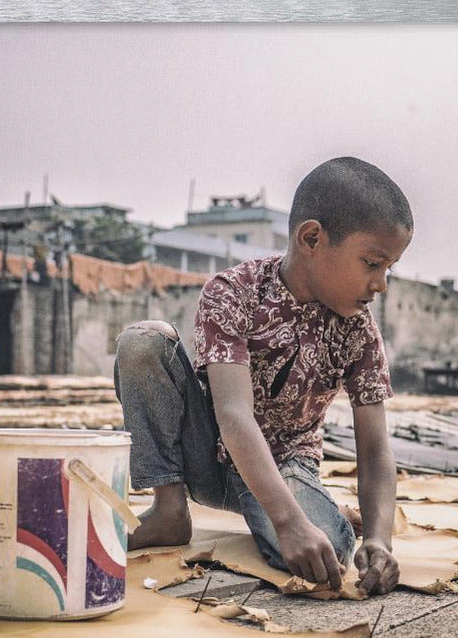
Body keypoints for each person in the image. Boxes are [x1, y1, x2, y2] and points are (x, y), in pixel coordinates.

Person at [113, 157, 411, 596]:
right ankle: (169, 509)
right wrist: (288, 522)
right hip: (207, 455)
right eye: (371, 263)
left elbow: (375, 448)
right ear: (311, 238)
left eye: (389, 269)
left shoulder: (358, 330)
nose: (381, 284)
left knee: (329, 549)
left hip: (286, 464)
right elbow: (233, 414)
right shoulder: (234, 293)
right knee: (142, 341)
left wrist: (379, 540)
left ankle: (319, 511)